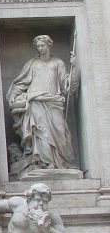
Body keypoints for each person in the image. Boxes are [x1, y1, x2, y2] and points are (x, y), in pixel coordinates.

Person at [7, 35, 78, 172]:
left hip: (54, 102)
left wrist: (75, 68)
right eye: (38, 46)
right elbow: (21, 83)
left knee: (60, 131)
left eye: (42, 45)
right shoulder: (32, 63)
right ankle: (45, 163)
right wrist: (14, 95)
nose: (40, 48)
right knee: (41, 132)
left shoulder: (58, 63)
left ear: (49, 45)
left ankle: (61, 163)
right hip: (36, 102)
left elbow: (67, 87)